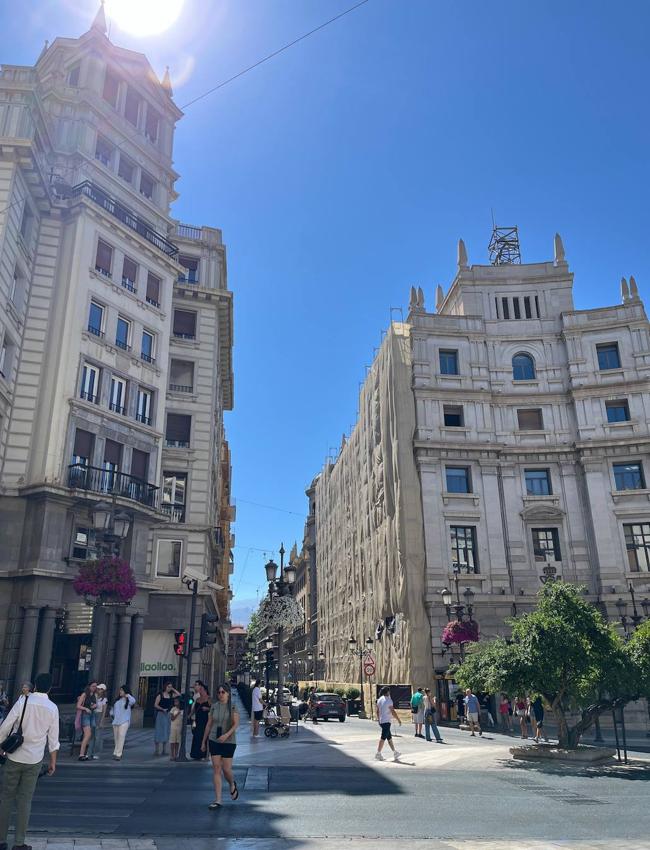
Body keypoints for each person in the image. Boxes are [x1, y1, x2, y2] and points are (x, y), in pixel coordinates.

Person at [0, 672, 59, 850]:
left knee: (6, 797)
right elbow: (53, 739)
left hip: (14, 755)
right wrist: (53, 762)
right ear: (49, 688)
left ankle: (1, 840)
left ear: (34, 686)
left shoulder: (23, 701)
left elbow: (6, 726)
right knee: (25, 800)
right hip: (34, 759)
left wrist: (0, 747)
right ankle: (19, 843)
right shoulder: (52, 708)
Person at [201, 683, 240, 810]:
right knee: (216, 768)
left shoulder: (233, 707)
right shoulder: (214, 706)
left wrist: (226, 735)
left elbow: (235, 724)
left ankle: (232, 784)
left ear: (228, 693)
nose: (221, 694)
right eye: (219, 692)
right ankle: (218, 799)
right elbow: (208, 724)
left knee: (226, 769)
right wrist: (203, 741)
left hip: (228, 741)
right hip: (214, 739)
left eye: (223, 692)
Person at [375, 685, 402, 761]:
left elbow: (377, 711)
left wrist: (379, 720)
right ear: (387, 692)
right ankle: (378, 753)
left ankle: (395, 752)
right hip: (387, 721)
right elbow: (393, 711)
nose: (390, 692)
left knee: (389, 737)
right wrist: (398, 719)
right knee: (383, 737)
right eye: (389, 691)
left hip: (382, 721)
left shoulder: (379, 699)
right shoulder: (389, 700)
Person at [153, 682, 180, 756]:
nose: (169, 688)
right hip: (161, 714)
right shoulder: (160, 695)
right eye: (168, 686)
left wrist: (173, 689)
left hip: (168, 714)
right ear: (165, 687)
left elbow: (179, 694)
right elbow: (155, 704)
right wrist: (162, 709)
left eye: (170, 687)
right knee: (159, 730)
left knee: (166, 730)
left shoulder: (171, 695)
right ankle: (157, 749)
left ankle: (164, 749)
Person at [111, 685, 136, 760]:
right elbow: (113, 710)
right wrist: (111, 714)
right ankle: (115, 752)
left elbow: (133, 701)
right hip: (116, 721)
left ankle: (119, 754)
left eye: (122, 690)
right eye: (120, 690)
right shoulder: (117, 700)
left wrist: (127, 695)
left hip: (124, 721)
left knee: (121, 736)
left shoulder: (128, 700)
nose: (120, 691)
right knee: (116, 738)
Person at [76, 681, 98, 760]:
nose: (94, 688)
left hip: (92, 715)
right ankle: (81, 754)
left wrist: (95, 705)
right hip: (85, 715)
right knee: (88, 734)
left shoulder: (94, 695)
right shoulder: (84, 694)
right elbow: (78, 705)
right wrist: (85, 708)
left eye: (95, 686)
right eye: (93, 686)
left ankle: (85, 753)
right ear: (89, 686)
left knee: (89, 735)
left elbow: (95, 704)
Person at [190, 681, 210, 760]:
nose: (200, 691)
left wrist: (207, 708)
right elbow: (194, 710)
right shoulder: (197, 699)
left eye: (201, 689)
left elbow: (213, 709)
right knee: (197, 736)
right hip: (198, 720)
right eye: (200, 690)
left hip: (205, 720)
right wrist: (189, 716)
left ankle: (204, 754)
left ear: (205, 690)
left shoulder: (209, 699)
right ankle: (195, 754)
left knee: (204, 736)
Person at [89, 684, 107, 760]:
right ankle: (89, 752)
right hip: (93, 714)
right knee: (92, 735)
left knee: (98, 736)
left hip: (99, 715)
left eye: (100, 689)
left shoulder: (104, 699)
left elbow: (104, 711)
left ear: (103, 691)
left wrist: (102, 721)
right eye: (98, 688)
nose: (99, 690)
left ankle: (96, 753)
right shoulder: (94, 696)